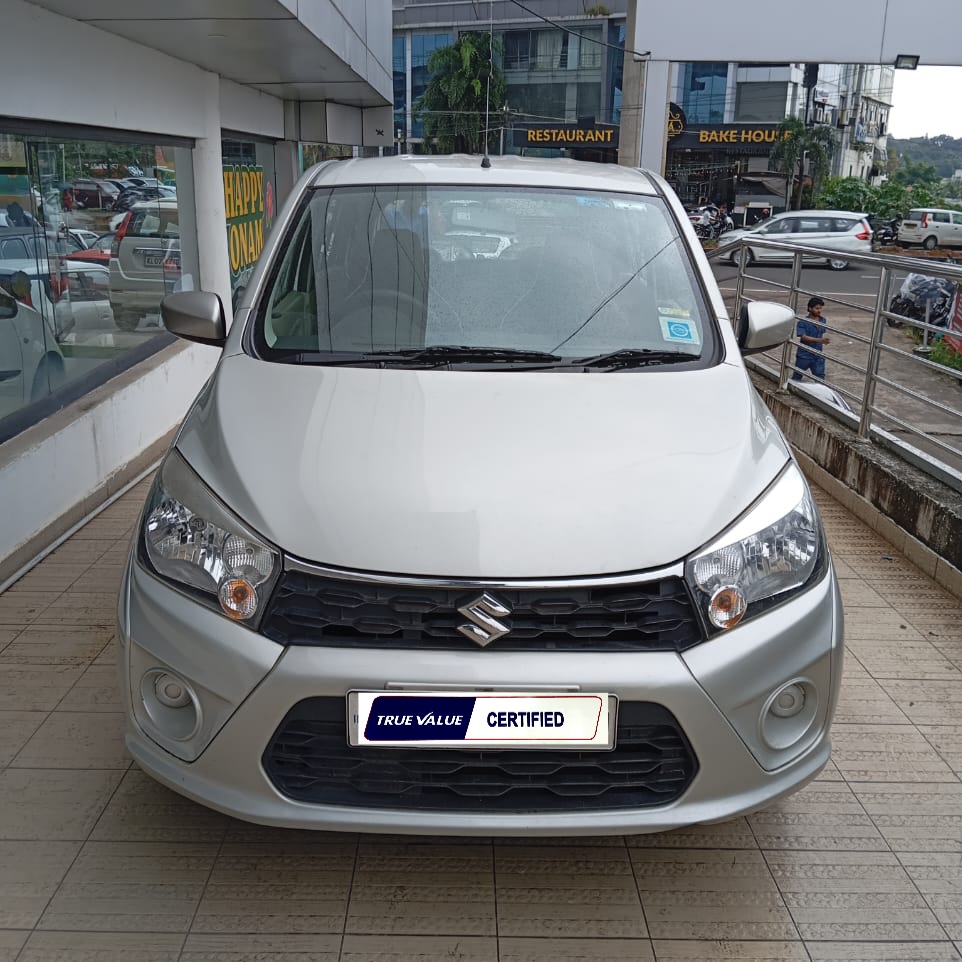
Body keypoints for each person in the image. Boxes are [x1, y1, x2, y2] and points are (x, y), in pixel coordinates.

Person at [793, 296, 831, 381]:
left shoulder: (823, 320)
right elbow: (803, 337)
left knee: (820, 378)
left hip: (817, 354)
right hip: (804, 355)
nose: (819, 311)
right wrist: (820, 340)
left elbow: (822, 333)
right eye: (817, 308)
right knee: (797, 376)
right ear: (810, 308)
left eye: (820, 308)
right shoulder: (802, 322)